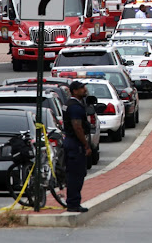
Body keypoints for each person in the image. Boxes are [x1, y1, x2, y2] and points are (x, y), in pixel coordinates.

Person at [63, 81, 92, 213]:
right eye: (81, 88)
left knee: (76, 174)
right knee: (76, 175)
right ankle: (73, 204)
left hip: (71, 142)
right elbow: (77, 127)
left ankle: (73, 202)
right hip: (74, 144)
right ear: (74, 91)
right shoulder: (74, 107)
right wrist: (86, 145)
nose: (84, 89)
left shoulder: (72, 104)